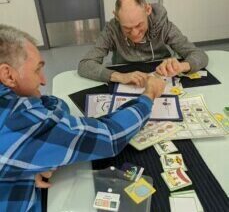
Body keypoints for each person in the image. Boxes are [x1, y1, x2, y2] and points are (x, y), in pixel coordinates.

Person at [0, 25, 165, 211]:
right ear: (7, 74)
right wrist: (149, 95)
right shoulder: (18, 118)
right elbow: (109, 136)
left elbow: (54, 103)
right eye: (37, 70)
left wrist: (26, 166)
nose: (44, 80)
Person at [78, 0, 208, 87]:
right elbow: (85, 65)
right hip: (128, 79)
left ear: (148, 9)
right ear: (116, 17)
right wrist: (120, 76)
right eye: (127, 28)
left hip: (162, 77)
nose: (135, 34)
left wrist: (182, 66)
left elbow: (199, 55)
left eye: (139, 25)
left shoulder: (162, 24)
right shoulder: (111, 30)